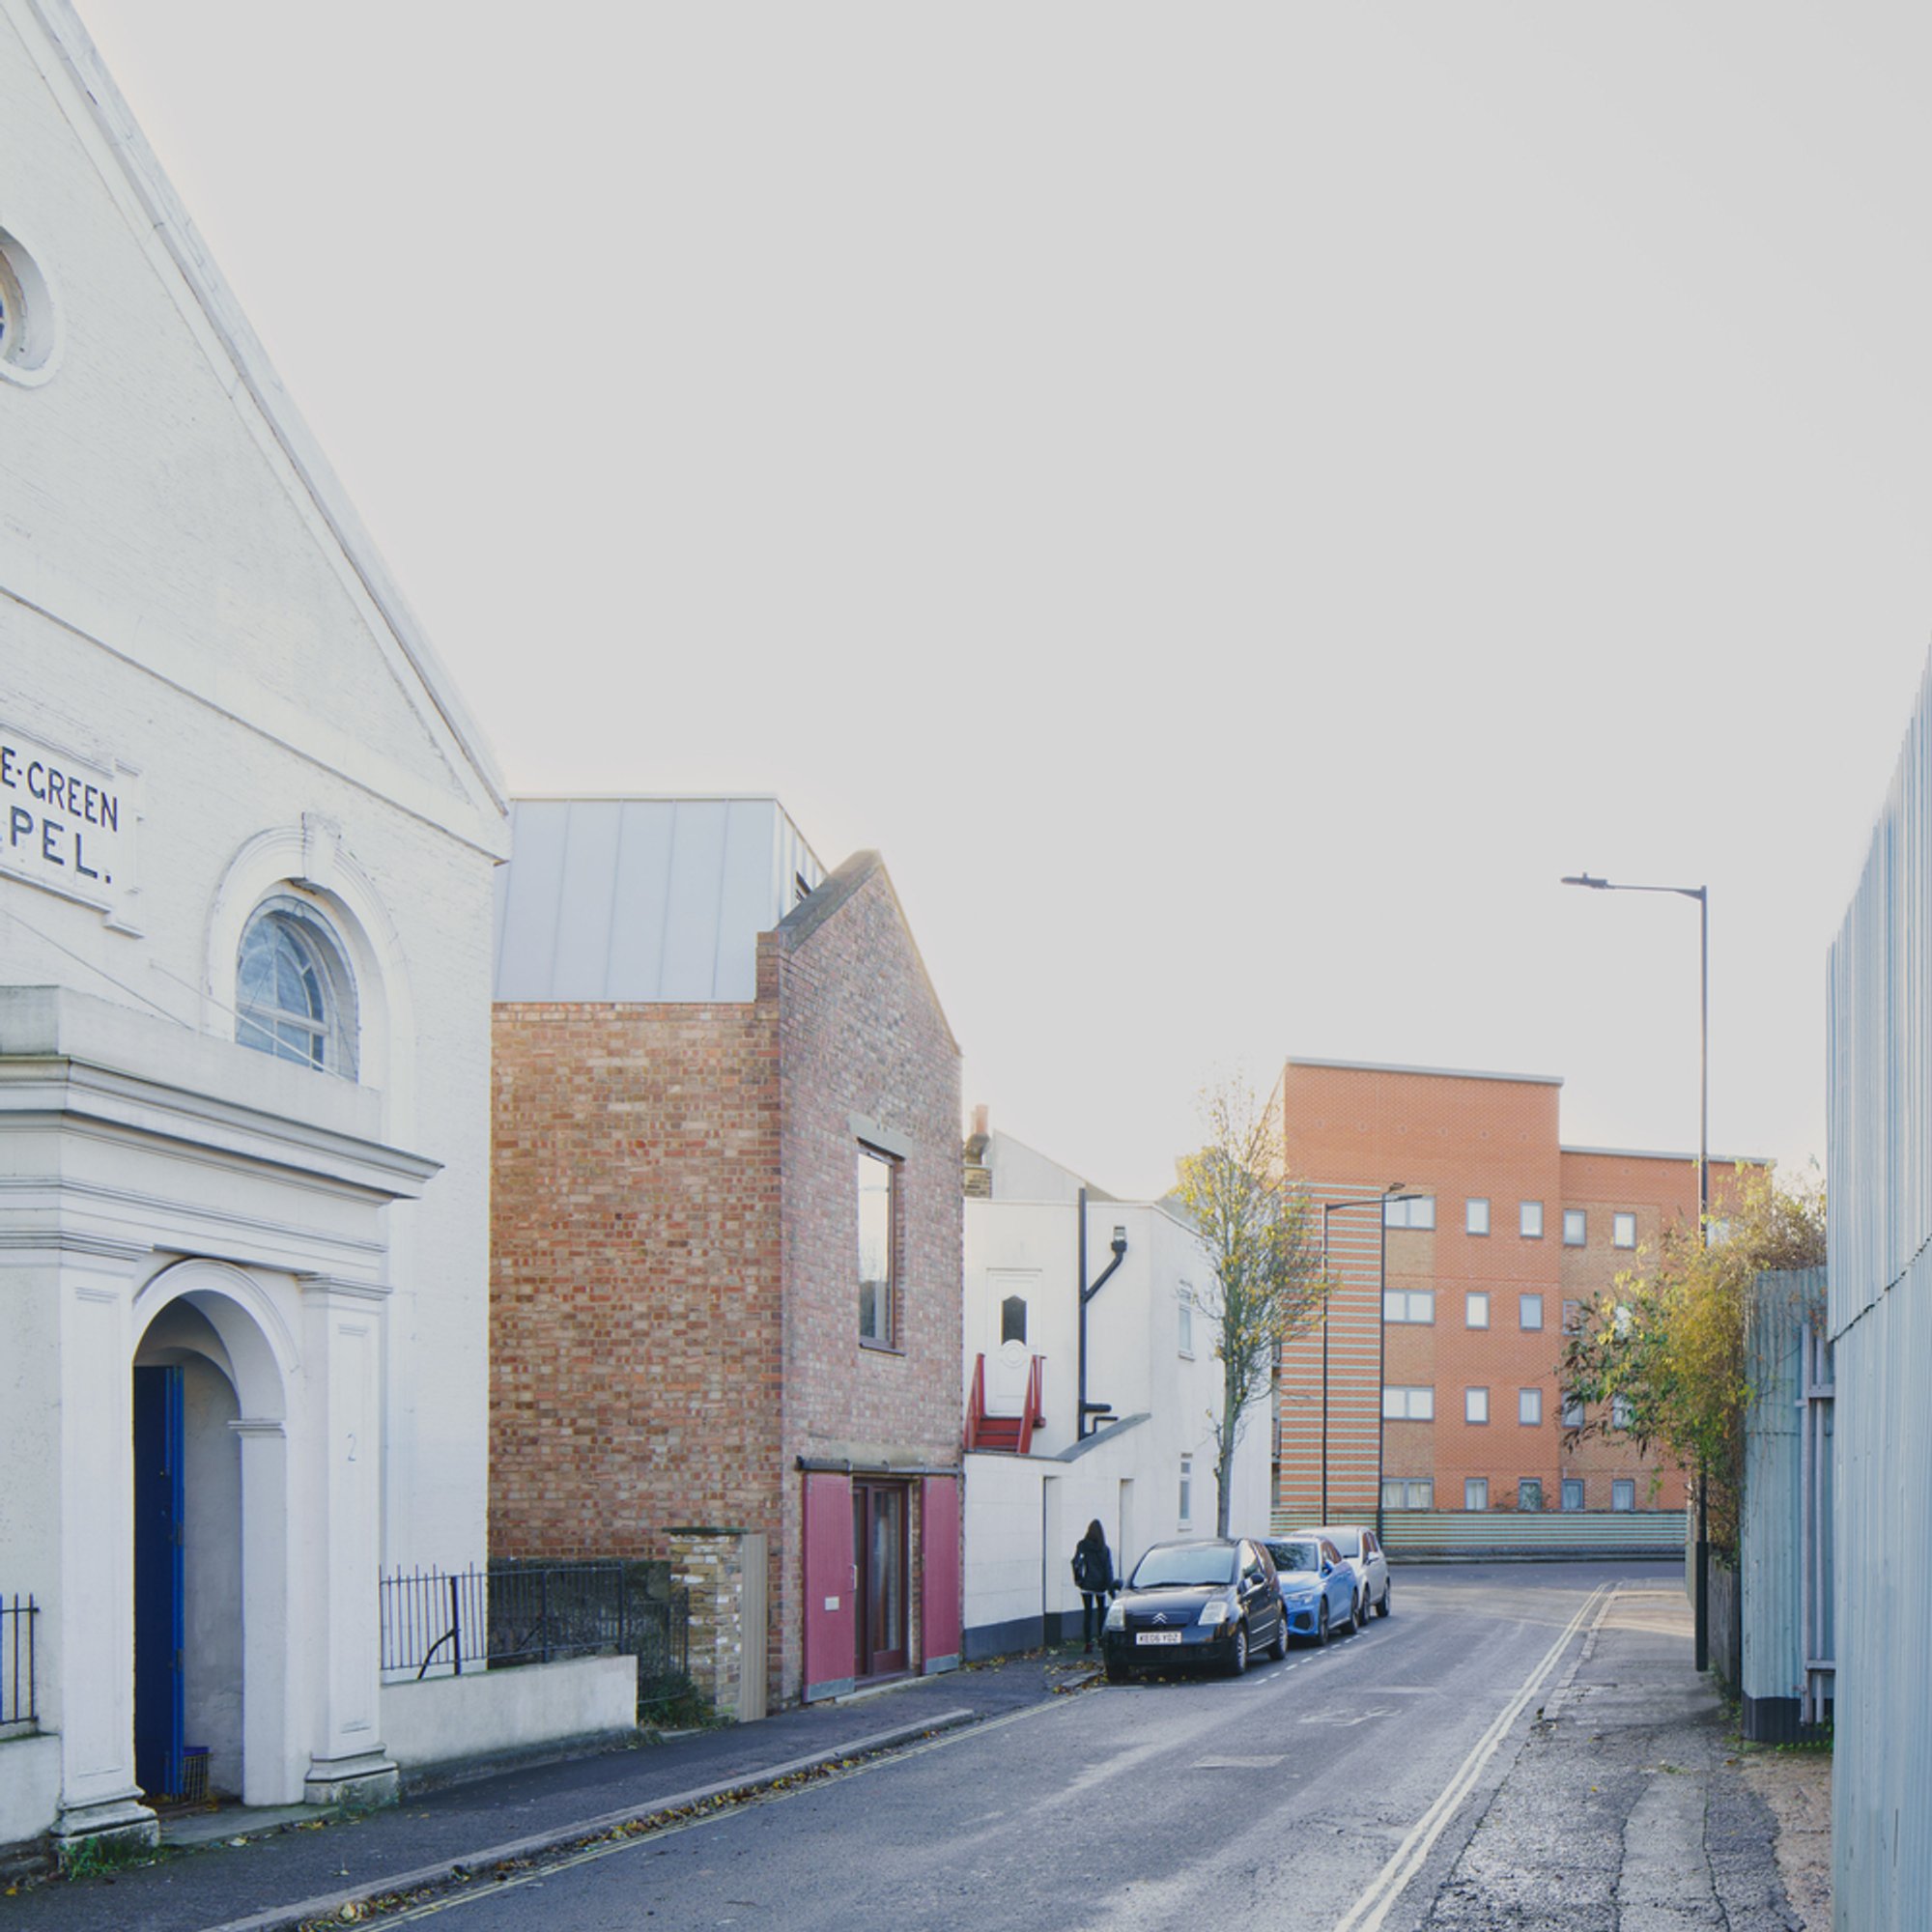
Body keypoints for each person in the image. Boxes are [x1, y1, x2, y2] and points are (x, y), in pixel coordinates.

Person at [1071, 1519, 1117, 1652]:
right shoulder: (1104, 1549)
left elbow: (1076, 1562)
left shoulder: (1082, 1545)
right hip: (1100, 1585)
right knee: (1101, 1612)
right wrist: (1111, 1588)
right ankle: (1101, 1640)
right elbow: (1108, 1569)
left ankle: (1088, 1643)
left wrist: (1078, 1580)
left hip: (1086, 1584)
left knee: (1088, 1614)